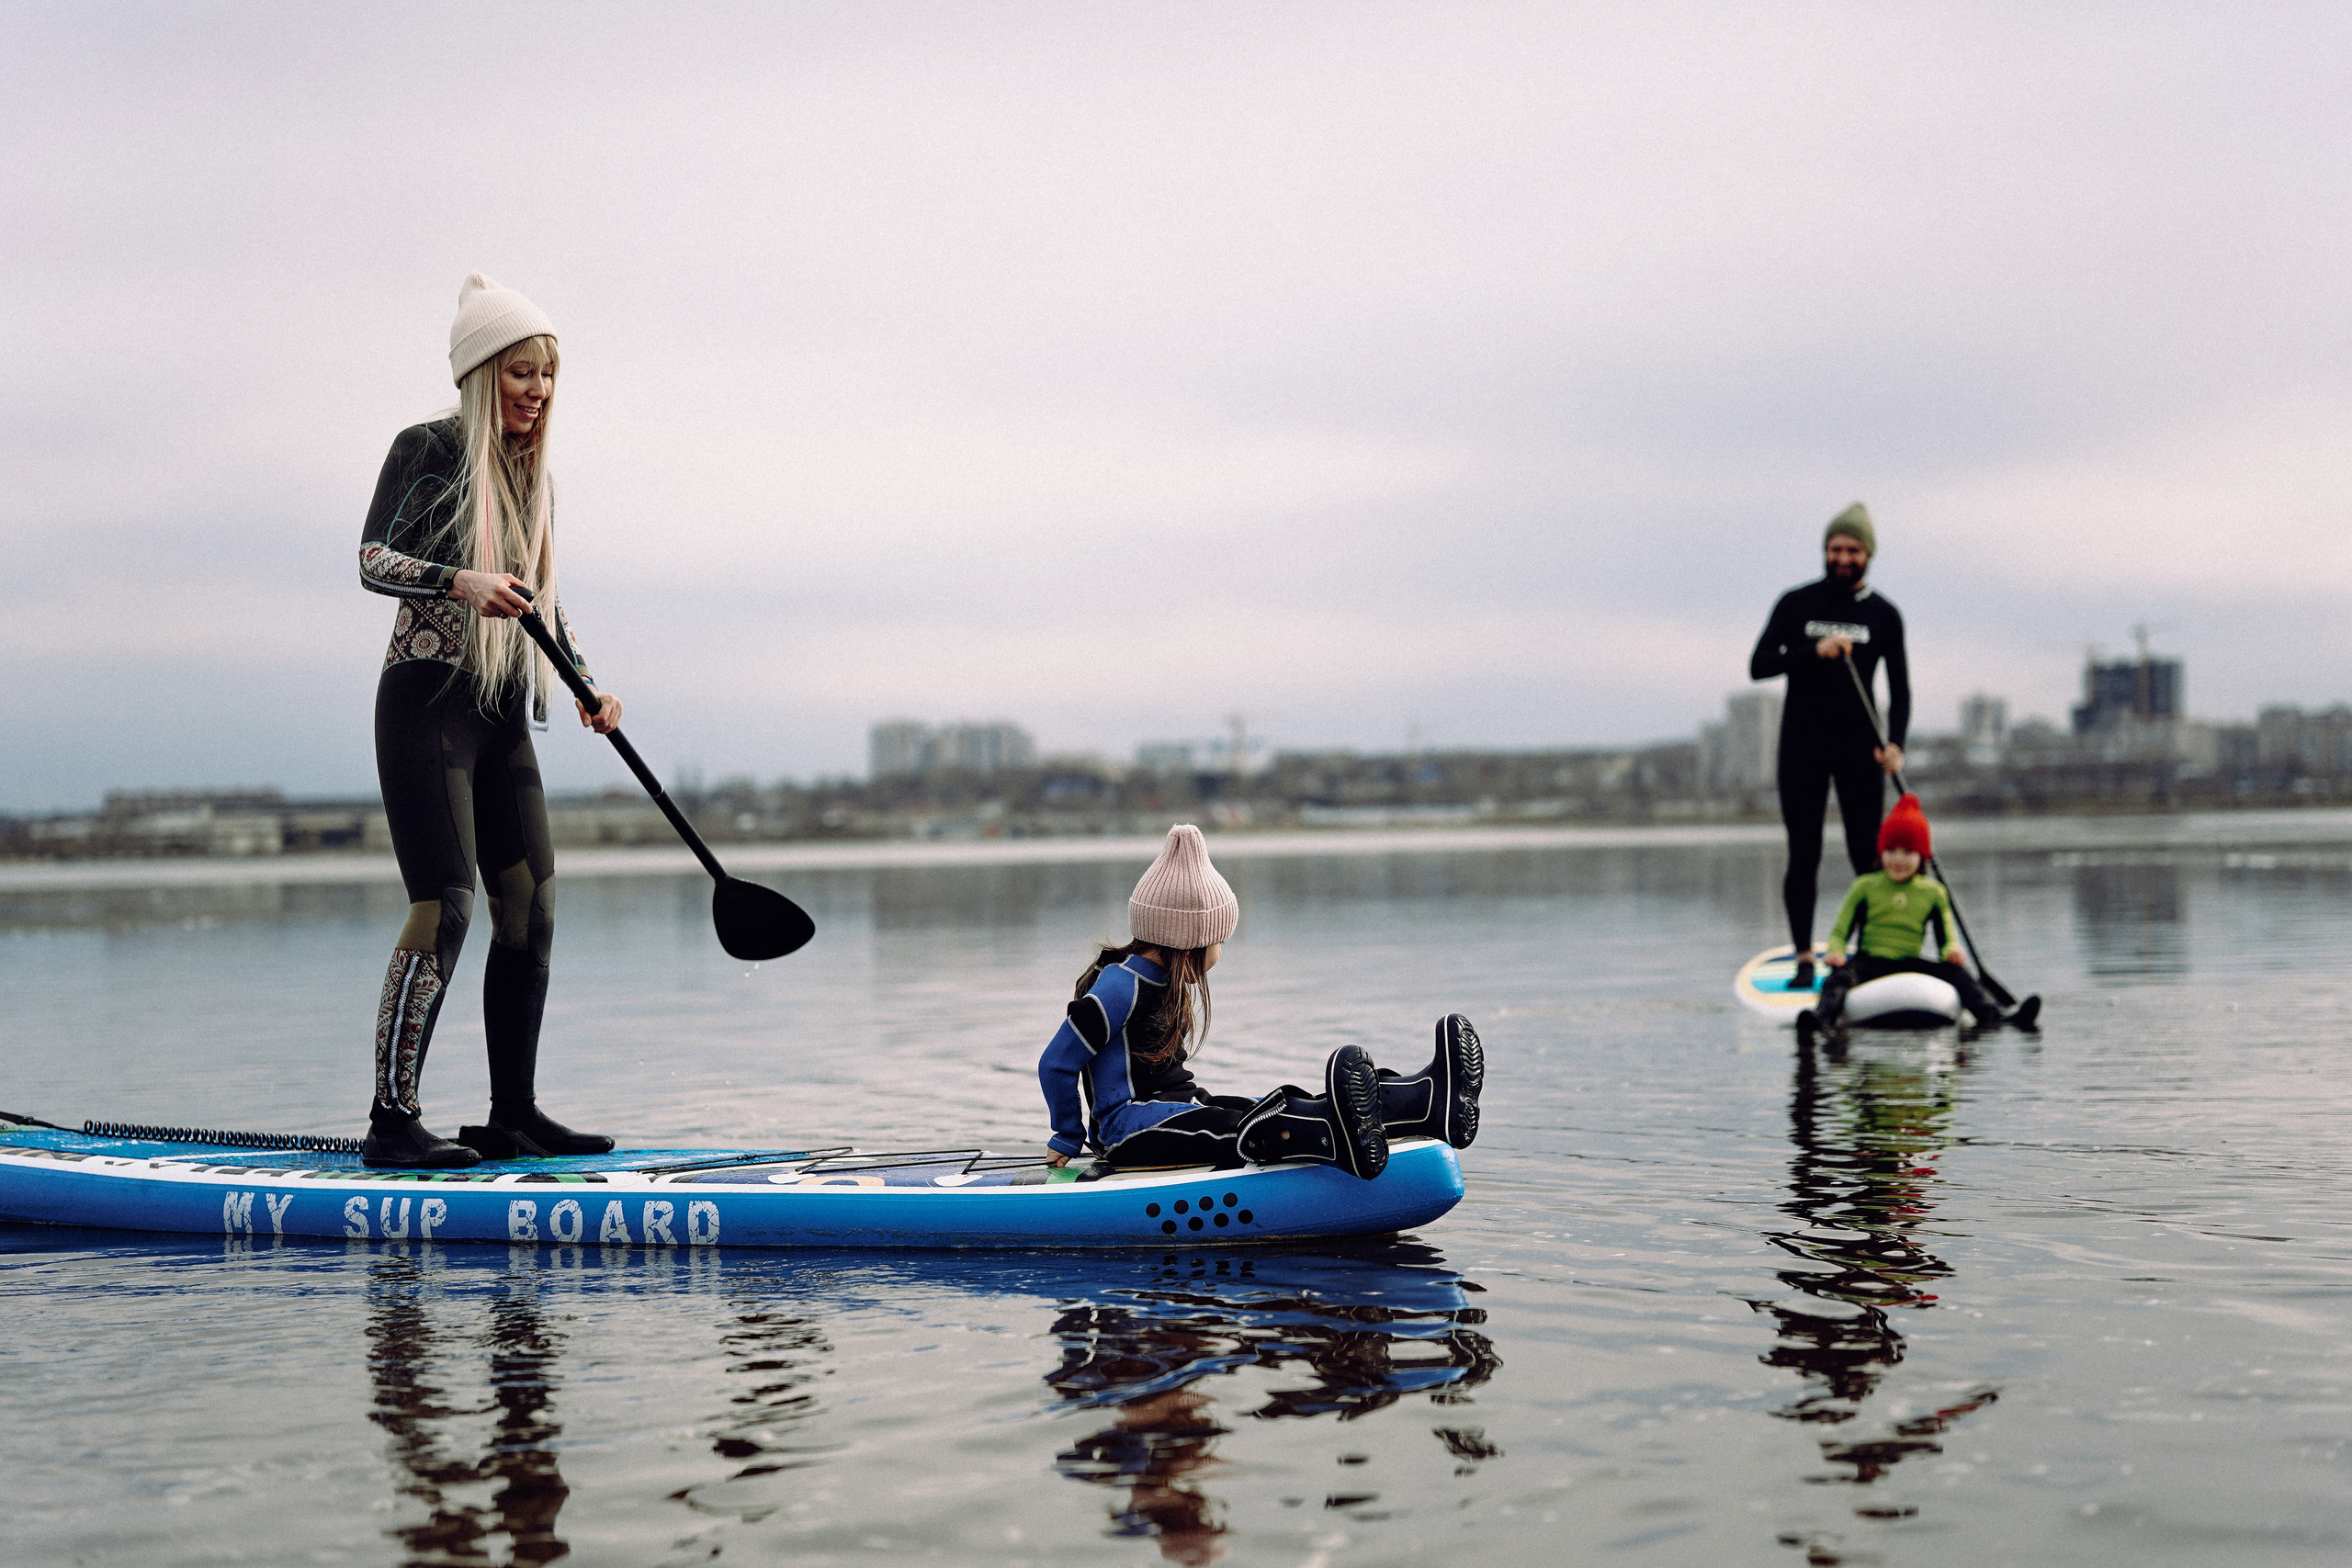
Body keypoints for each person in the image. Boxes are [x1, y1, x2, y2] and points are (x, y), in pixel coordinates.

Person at [356, 273, 621, 1169]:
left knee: (531, 903)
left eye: (548, 375)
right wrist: (458, 581)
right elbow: (371, 558)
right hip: (427, 703)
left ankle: (515, 1114)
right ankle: (392, 1122)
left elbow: (545, 604)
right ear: (480, 375)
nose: (537, 391)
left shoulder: (534, 479)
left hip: (502, 711)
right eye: (520, 372)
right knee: (447, 903)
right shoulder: (428, 448)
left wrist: (587, 686)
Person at [1036, 826, 1483, 1180]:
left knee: (1271, 1104)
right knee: (1246, 1125)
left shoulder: (1163, 982)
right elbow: (1056, 1062)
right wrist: (1068, 1134)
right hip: (1127, 1130)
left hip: (1180, 1107)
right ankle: (1336, 1138)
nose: (1220, 952)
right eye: (1219, 941)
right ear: (1191, 942)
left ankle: (1424, 1101)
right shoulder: (1119, 987)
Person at [1750, 502, 1909, 988]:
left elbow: (1900, 690)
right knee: (1805, 853)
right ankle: (1804, 959)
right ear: (1825, 551)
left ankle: (1866, 956)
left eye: (1853, 550)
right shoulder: (1796, 603)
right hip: (1802, 747)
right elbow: (1759, 664)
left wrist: (1896, 744)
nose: (1843, 558)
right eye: (1835, 548)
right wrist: (1812, 651)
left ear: (1868, 555)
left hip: (1861, 749)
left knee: (1867, 857)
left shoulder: (1884, 615)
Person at [1798, 794, 2040, 1043]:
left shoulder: (1933, 892)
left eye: (1907, 852)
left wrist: (1951, 951)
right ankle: (1821, 1018)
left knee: (1959, 974)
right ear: (1881, 852)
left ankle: (1996, 1017)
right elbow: (1841, 932)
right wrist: (1836, 952)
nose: (1898, 859)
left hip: (1910, 962)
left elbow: (1946, 937)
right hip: (1869, 962)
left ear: (1922, 856)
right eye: (1891, 850)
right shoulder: (1864, 886)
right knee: (1837, 979)